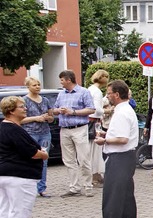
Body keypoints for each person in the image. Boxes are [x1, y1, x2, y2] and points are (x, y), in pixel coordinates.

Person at [86, 80, 139, 218]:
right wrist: (108, 133)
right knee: (126, 198)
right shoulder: (126, 110)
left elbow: (122, 139)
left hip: (119, 158)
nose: (107, 96)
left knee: (112, 200)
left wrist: (104, 139)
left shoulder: (122, 112)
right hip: (127, 157)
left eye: (108, 93)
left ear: (116, 94)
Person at [0, 96, 49, 218]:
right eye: (21, 106)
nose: (25, 108)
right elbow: (31, 152)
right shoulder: (14, 130)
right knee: (20, 210)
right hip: (20, 176)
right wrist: (43, 154)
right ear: (11, 111)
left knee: (5, 210)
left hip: (4, 174)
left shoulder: (2, 127)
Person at [52, 70, 96, 198]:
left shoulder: (83, 92)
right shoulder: (61, 94)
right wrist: (58, 110)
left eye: (62, 80)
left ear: (68, 80)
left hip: (79, 128)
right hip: (64, 129)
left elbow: (91, 109)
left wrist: (73, 112)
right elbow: (54, 109)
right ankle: (74, 187)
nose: (60, 82)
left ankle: (88, 186)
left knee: (83, 159)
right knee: (68, 160)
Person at [20, 77, 54, 198]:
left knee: (43, 159)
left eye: (39, 84)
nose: (37, 87)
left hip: (45, 133)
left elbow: (52, 117)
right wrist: (35, 118)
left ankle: (41, 188)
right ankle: (29, 187)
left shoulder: (45, 100)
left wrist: (48, 118)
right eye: (34, 85)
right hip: (30, 133)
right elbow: (20, 120)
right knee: (30, 159)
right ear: (28, 87)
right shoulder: (24, 101)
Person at [88, 70, 109, 188]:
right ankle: (94, 175)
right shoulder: (97, 92)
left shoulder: (89, 89)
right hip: (94, 123)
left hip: (89, 122)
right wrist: (107, 110)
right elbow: (97, 109)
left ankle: (95, 175)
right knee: (95, 151)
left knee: (92, 150)